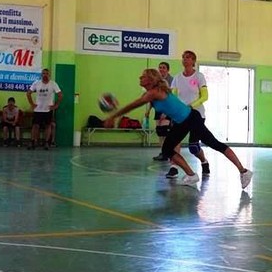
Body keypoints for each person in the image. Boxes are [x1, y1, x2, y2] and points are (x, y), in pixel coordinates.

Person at [104, 69, 253, 189]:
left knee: (214, 144)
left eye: (143, 76)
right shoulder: (152, 93)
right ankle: (191, 175)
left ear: (150, 79)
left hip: (192, 119)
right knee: (167, 149)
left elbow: (133, 105)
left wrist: (113, 116)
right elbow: (168, 105)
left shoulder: (153, 92)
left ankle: (244, 171)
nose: (140, 78)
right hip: (181, 122)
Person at [168, 50, 211, 179]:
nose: (185, 59)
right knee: (174, 141)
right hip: (181, 115)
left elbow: (205, 96)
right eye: (183, 57)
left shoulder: (199, 76)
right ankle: (174, 167)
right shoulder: (177, 78)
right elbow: (173, 96)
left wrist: (191, 106)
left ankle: (204, 161)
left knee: (193, 147)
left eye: (188, 57)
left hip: (197, 115)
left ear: (193, 61)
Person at [26, 68, 62, 150]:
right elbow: (28, 94)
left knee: (48, 126)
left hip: (48, 109)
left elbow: (60, 95)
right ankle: (33, 142)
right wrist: (32, 104)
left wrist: (56, 105)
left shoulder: (53, 84)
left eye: (47, 73)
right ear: (41, 75)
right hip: (38, 109)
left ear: (49, 75)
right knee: (35, 126)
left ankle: (46, 142)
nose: (45, 75)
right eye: (43, 73)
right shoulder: (36, 83)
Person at [146, 61, 173, 162]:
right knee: (159, 132)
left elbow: (171, 97)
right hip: (158, 108)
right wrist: (148, 110)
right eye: (160, 67)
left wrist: (166, 112)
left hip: (167, 109)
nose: (161, 69)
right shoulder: (156, 81)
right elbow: (152, 96)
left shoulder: (171, 80)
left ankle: (168, 152)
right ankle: (163, 152)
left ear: (168, 70)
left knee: (164, 131)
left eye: (163, 68)